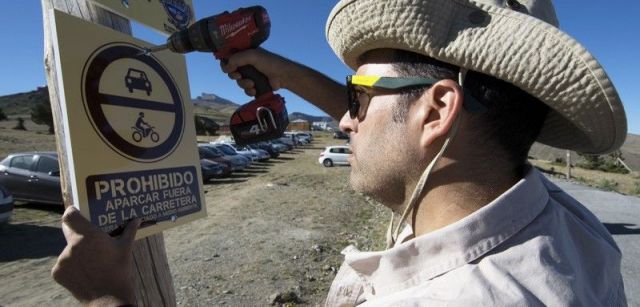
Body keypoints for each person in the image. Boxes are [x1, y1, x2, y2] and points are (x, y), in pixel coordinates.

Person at [52, 0, 628, 305]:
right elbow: (392, 127)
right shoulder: (566, 227)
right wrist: (282, 71)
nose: (346, 120)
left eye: (358, 95)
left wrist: (108, 298)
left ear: (437, 110)